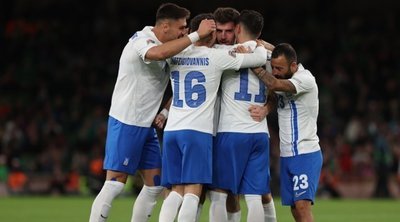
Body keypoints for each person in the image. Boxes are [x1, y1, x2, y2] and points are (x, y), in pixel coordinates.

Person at [88, 3, 216, 222]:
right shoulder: (141, 40)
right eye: (181, 27)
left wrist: (165, 111)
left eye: (187, 28)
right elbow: (156, 54)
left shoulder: (173, 46)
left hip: (146, 125)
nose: (184, 32)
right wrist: (196, 35)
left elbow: (186, 81)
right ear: (165, 26)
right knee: (115, 183)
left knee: (155, 184)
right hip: (127, 120)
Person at [158, 13, 268, 222]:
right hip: (198, 132)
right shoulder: (216, 57)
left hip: (172, 131)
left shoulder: (174, 53)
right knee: (193, 191)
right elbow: (259, 58)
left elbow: (161, 50)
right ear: (211, 34)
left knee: (175, 191)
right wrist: (260, 45)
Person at [209, 10, 276, 222]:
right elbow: (278, 86)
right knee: (254, 195)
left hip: (231, 131)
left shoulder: (225, 52)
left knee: (219, 193)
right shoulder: (269, 56)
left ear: (237, 29)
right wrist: (266, 108)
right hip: (259, 133)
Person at [251, 43, 323, 222]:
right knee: (294, 208)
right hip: (287, 154)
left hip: (305, 153)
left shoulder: (305, 79)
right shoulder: (285, 69)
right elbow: (273, 48)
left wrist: (251, 63)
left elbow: (274, 84)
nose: (274, 71)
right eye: (273, 67)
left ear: (293, 66)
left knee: (302, 206)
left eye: (279, 68)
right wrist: (257, 43)